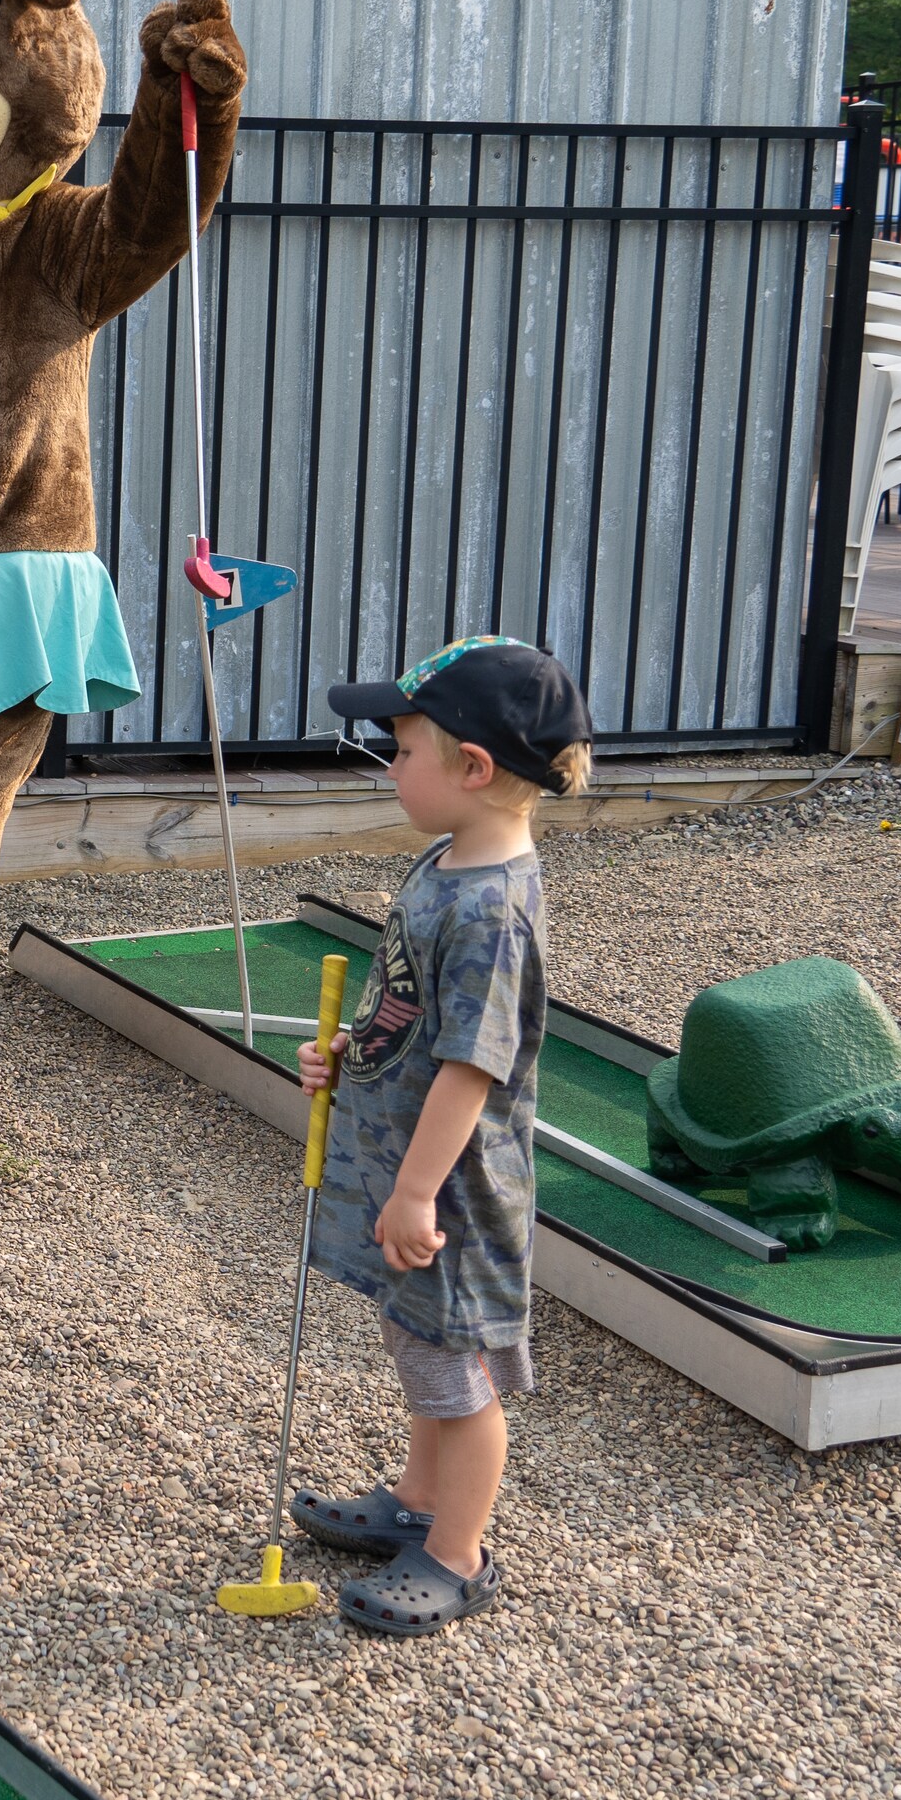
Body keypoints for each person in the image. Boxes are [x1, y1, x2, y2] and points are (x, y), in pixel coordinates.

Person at [288, 636, 593, 1639]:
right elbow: (413, 1010)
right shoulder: (446, 859)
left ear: (472, 768)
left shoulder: (495, 908)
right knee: (415, 1340)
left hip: (452, 1187)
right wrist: (352, 1049)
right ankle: (417, 1505)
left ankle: (458, 1551)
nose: (390, 765)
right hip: (401, 1158)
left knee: (457, 1370)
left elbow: (473, 1065)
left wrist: (415, 1190)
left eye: (404, 747)